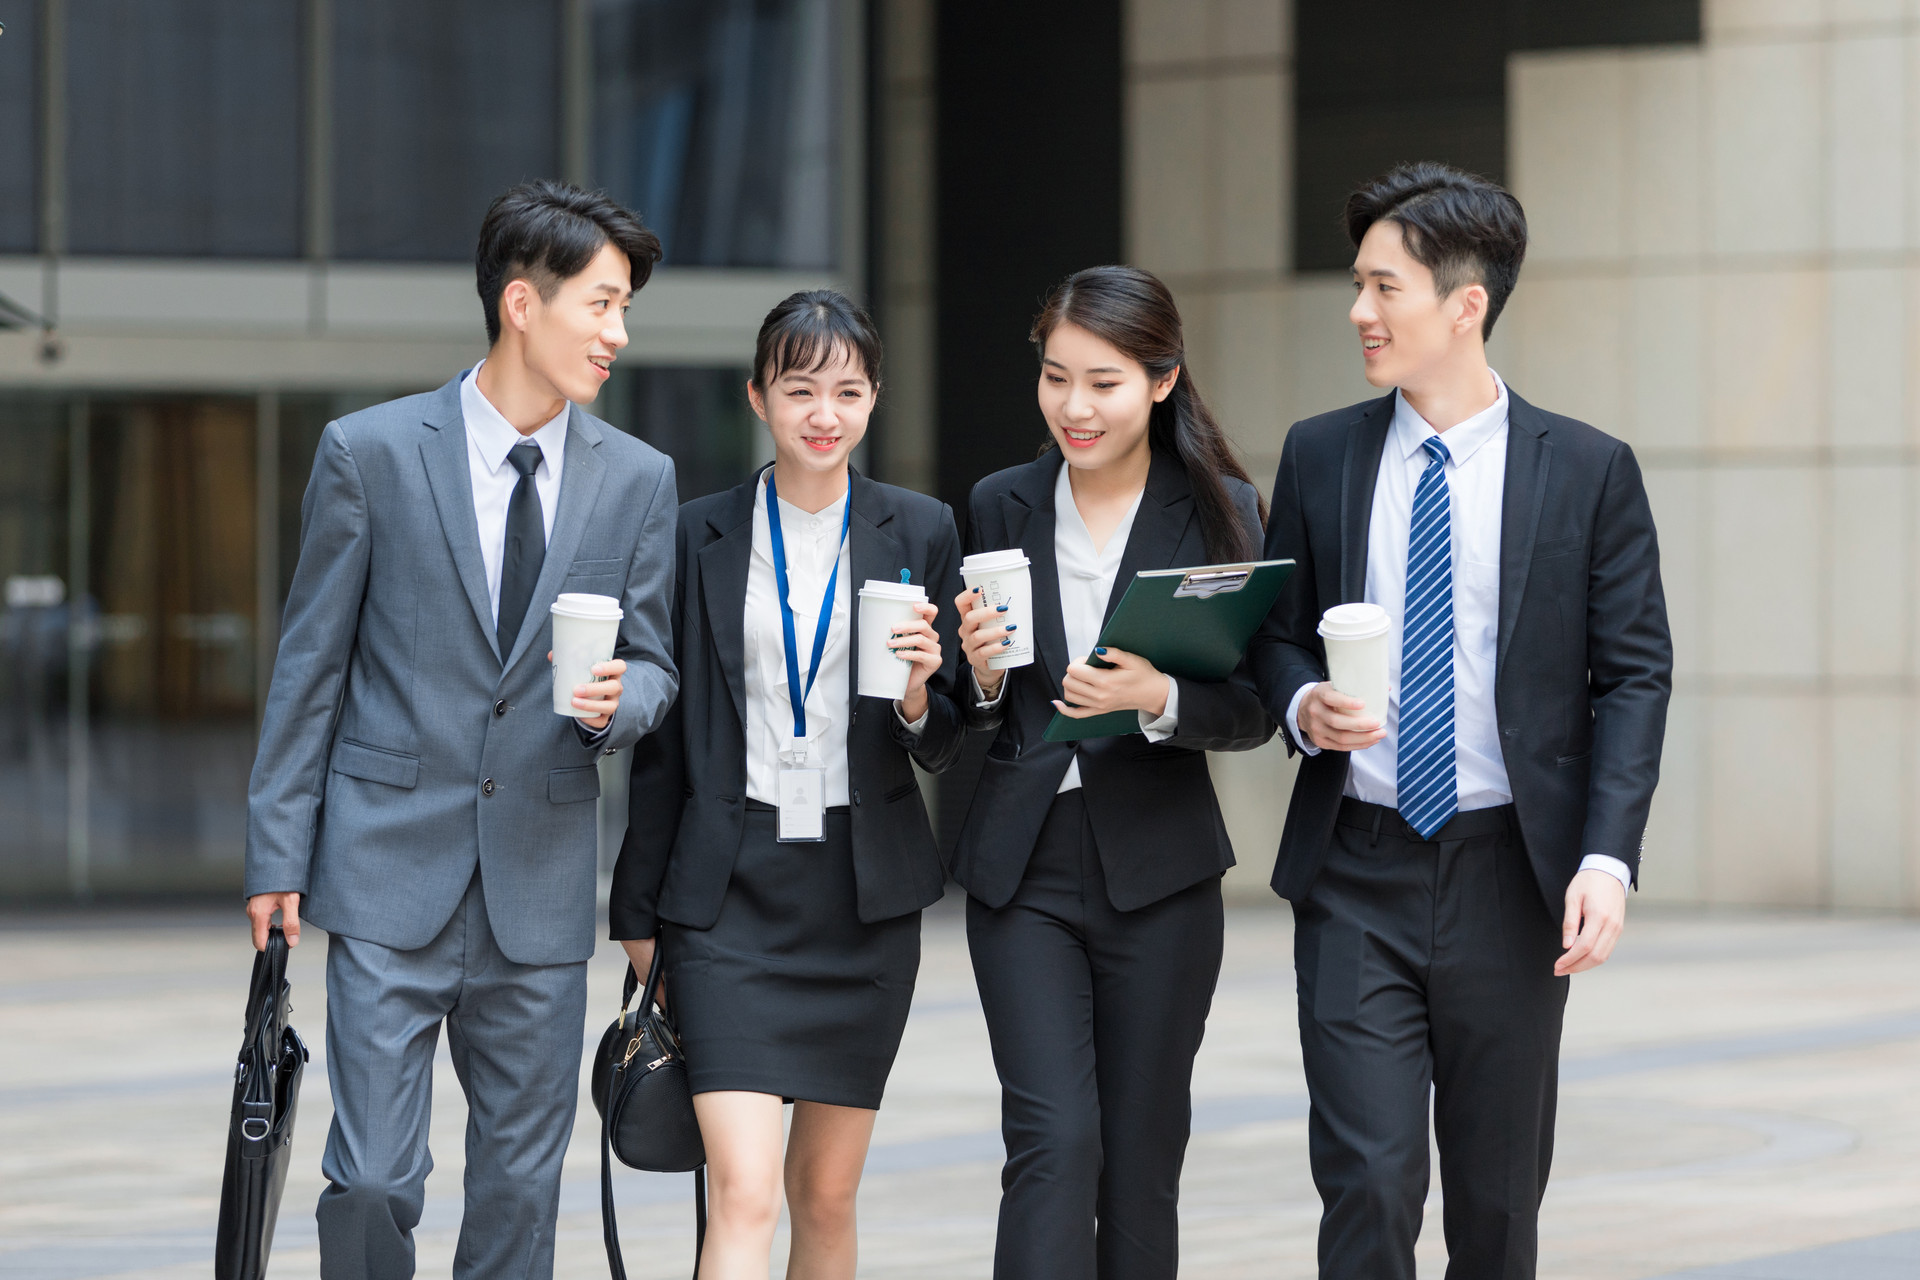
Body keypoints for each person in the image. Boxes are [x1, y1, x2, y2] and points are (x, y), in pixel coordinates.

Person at [243, 180, 679, 1280]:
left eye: (626, 310)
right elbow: (310, 669)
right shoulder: (371, 453)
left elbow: (658, 666)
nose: (619, 334)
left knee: (520, 1192)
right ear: (522, 304)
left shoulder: (638, 479)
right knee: (372, 1179)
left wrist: (616, 701)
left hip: (538, 884)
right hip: (385, 870)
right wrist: (277, 854)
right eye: (602, 304)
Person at [1251, 163, 1672, 1279]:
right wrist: (1302, 701)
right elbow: (1275, 635)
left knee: (1496, 1206)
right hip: (1356, 867)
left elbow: (1635, 676)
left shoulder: (1588, 471)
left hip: (1510, 879)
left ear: (1465, 304)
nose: (1358, 310)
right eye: (1357, 284)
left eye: (1383, 287)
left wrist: (1607, 858)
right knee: (1370, 1181)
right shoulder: (1321, 453)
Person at [610, 290, 966, 1280]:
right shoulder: (697, 533)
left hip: (862, 898)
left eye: (847, 391)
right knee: (745, 1192)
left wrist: (917, 695)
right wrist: (637, 913)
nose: (824, 412)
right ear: (758, 396)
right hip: (728, 895)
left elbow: (948, 738)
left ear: (875, 398)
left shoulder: (921, 528)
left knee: (825, 1195)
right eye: (801, 388)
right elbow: (664, 743)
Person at [949, 265, 1274, 1280]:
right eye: (1057, 378)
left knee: (1141, 1159)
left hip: (1162, 872)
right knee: (1053, 1141)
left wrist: (1159, 696)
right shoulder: (1000, 501)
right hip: (1024, 867)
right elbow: (974, 706)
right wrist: (981, 675)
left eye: (1104, 382)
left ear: (1162, 381)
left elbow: (1254, 707)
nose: (1075, 408)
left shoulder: (1222, 509)